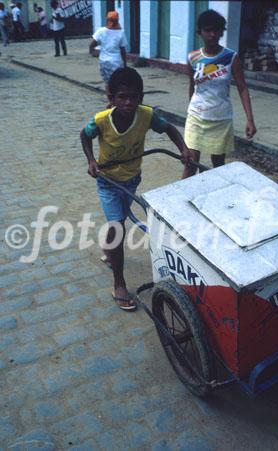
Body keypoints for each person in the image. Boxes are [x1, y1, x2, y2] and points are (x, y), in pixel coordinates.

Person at [80, 67, 192, 311]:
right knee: (117, 224)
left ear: (141, 96)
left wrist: (183, 148)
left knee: (118, 221)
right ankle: (119, 283)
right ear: (111, 98)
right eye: (122, 97)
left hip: (131, 179)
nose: (128, 102)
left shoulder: (147, 115)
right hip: (108, 181)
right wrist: (91, 160)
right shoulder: (100, 120)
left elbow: (170, 129)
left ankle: (108, 249)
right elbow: (84, 135)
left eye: (133, 96)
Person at [182, 9, 257, 178]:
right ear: (200, 32)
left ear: (222, 31)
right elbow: (191, 87)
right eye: (207, 30)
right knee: (190, 164)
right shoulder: (193, 58)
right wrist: (190, 110)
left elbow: (242, 88)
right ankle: (178, 203)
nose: (212, 34)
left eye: (216, 30)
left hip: (221, 119)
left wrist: (250, 120)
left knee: (218, 166)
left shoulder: (231, 57)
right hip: (196, 117)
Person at [89, 11, 127, 95]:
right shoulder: (121, 32)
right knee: (118, 82)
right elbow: (123, 50)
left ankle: (110, 100)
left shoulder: (101, 31)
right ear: (118, 20)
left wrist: (93, 52)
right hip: (116, 62)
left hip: (104, 61)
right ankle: (116, 100)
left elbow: (92, 44)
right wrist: (125, 64)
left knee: (107, 82)